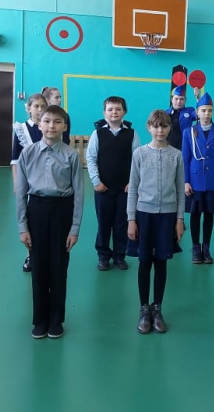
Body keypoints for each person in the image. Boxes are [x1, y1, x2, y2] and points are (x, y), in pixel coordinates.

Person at [16, 105, 84, 338]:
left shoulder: (71, 155)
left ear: (64, 126)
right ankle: (40, 319)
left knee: (58, 267)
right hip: (36, 211)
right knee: (38, 268)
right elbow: (20, 192)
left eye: (57, 122)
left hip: (61, 212)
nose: (51, 126)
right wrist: (23, 226)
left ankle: (56, 319)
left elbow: (79, 194)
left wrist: (74, 229)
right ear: (39, 124)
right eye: (46, 121)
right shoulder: (28, 153)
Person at [127, 110, 185, 334]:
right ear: (148, 127)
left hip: (167, 217)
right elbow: (133, 188)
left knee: (161, 262)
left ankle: (157, 308)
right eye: (156, 126)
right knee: (144, 262)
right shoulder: (139, 154)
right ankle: (144, 309)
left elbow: (180, 190)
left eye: (164, 126)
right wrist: (131, 219)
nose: (160, 130)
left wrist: (179, 219)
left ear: (170, 128)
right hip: (144, 215)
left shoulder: (176, 155)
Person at [86, 96, 141, 271]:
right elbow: (91, 159)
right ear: (104, 113)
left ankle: (119, 255)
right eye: (110, 109)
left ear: (124, 112)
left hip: (125, 190)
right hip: (103, 189)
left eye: (118, 109)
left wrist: (132, 183)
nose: (114, 112)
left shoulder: (132, 134)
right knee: (104, 223)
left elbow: (137, 161)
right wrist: (96, 182)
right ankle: (103, 256)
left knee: (121, 223)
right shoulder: (97, 134)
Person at [181, 92, 214, 264]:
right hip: (195, 180)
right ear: (197, 112)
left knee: (209, 214)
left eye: (210, 110)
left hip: (213, 180)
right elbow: (185, 158)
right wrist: (185, 181)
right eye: (203, 110)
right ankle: (196, 248)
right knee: (195, 214)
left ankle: (206, 247)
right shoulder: (189, 132)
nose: (206, 114)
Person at [12, 93, 48, 273]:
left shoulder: (48, 127)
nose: (39, 110)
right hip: (28, 179)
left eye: (43, 106)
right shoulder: (21, 129)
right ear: (28, 108)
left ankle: (46, 254)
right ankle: (30, 255)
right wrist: (16, 182)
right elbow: (15, 159)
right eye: (36, 106)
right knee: (30, 219)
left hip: (47, 179)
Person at [165, 65, 197, 152]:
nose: (179, 101)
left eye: (181, 99)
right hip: (168, 147)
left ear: (185, 100)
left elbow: (199, 115)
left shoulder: (190, 111)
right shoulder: (165, 113)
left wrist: (197, 98)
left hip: (185, 147)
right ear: (172, 99)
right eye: (176, 99)